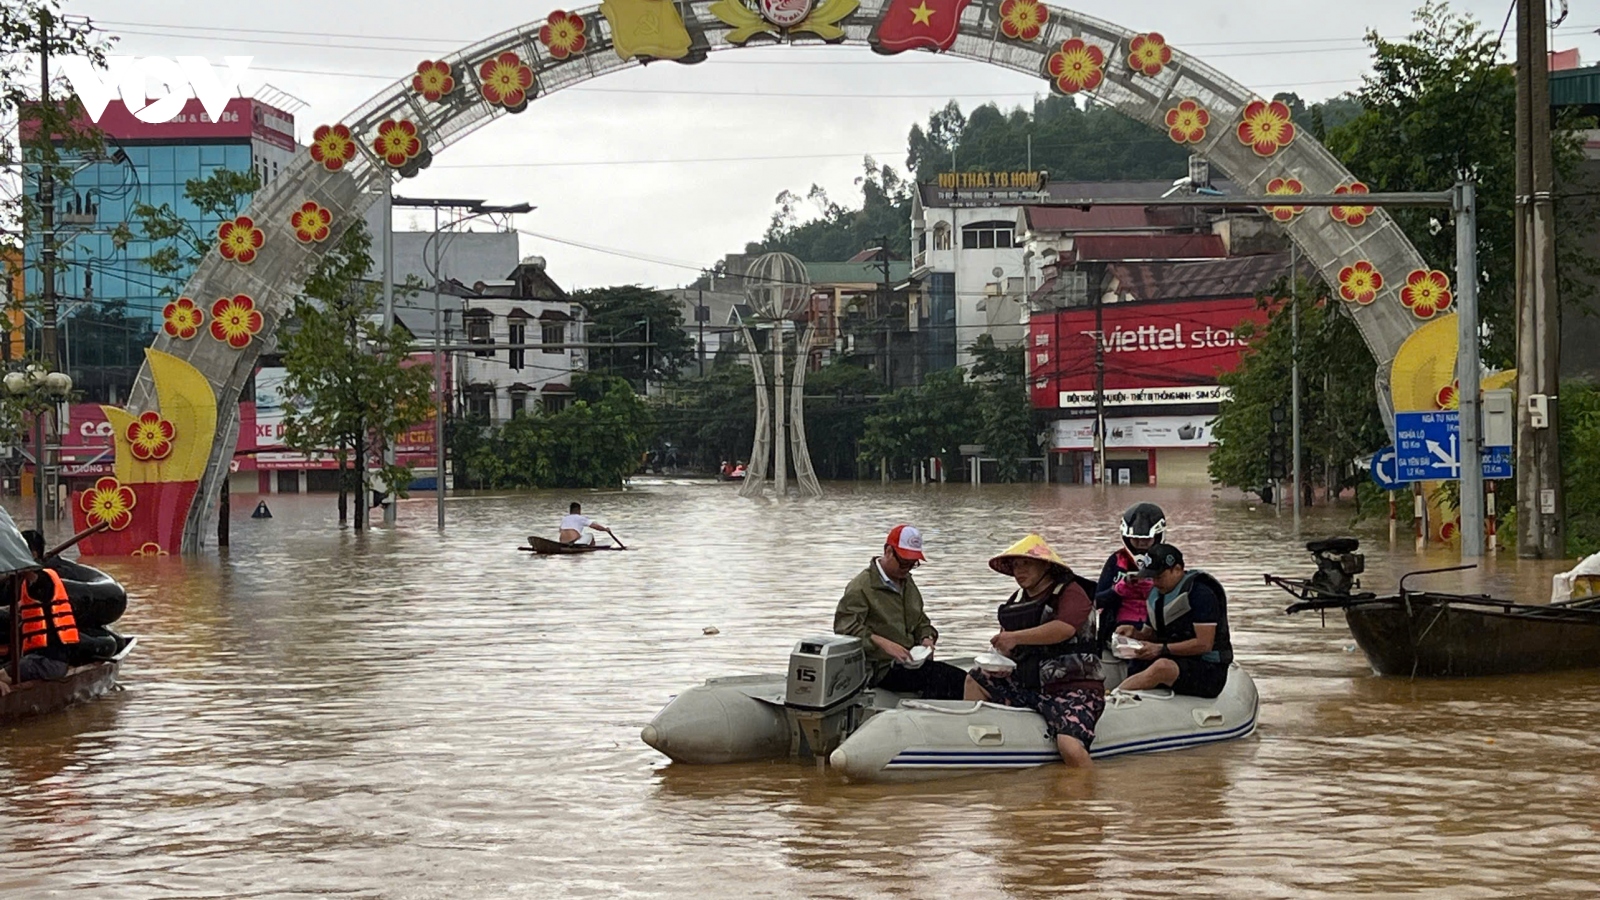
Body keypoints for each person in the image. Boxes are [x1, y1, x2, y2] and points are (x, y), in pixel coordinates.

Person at [963, 534, 1104, 767]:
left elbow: (1064, 629)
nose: (1020, 571)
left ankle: (1087, 795)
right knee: (975, 678)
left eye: (1027, 563)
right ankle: (974, 742)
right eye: (1016, 565)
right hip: (1031, 685)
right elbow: (1006, 645)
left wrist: (1015, 638)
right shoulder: (1015, 602)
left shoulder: (1071, 592)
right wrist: (1000, 658)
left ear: (1045, 565)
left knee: (1069, 747)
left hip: (1074, 688)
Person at [833, 524, 965, 700]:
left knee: (961, 679)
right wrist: (885, 645)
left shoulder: (907, 582)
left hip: (910, 663)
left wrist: (927, 638)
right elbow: (844, 628)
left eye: (913, 564)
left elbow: (920, 620)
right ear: (888, 551)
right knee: (952, 681)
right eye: (904, 562)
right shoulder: (861, 587)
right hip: (879, 669)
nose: (907, 568)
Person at [1114, 543, 1233, 698]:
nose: (1155, 582)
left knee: (1162, 667)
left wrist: (1161, 649)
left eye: (1159, 576)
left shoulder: (1201, 594)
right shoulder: (1157, 595)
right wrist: (1135, 634)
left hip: (1208, 669)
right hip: (1177, 659)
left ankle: (1114, 697)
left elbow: (1204, 644)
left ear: (1177, 569)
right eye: (1152, 577)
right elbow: (1151, 635)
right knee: (1137, 662)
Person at [1094, 503, 1166, 647]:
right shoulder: (1116, 560)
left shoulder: (1168, 560)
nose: (1140, 544)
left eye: (1146, 540)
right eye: (1135, 539)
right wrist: (1118, 589)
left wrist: (1154, 589)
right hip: (1116, 637)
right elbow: (1096, 602)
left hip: (1156, 638)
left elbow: (1181, 601)